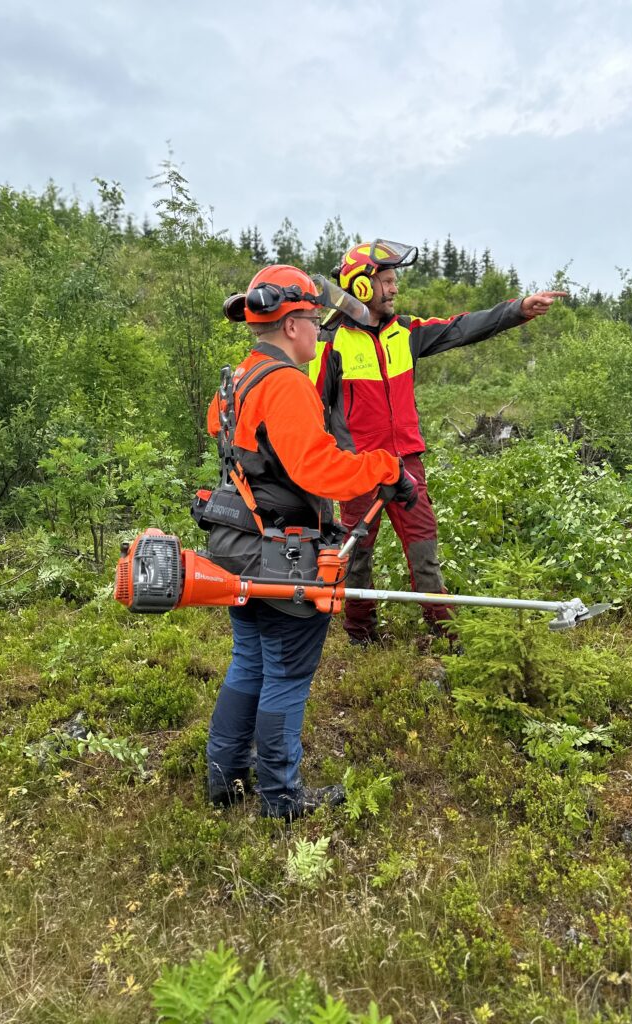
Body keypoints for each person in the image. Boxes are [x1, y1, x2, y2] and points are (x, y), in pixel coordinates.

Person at [204, 264, 417, 820]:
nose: (320, 335)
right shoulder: (288, 386)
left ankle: (224, 777)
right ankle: (281, 798)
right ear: (295, 324)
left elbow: (237, 445)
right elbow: (318, 470)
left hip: (235, 544)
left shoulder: (237, 380)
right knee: (288, 674)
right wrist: (385, 467)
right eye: (316, 325)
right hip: (281, 555)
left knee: (248, 662)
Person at [309, 239, 566, 646]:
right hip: (358, 469)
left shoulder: (405, 332)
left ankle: (445, 632)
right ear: (360, 286)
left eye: (394, 281)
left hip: (407, 464)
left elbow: (460, 327)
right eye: (388, 281)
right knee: (356, 555)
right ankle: (361, 634)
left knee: (424, 548)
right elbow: (309, 411)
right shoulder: (329, 342)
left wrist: (516, 310)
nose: (394, 289)